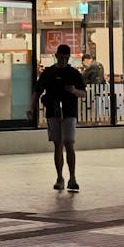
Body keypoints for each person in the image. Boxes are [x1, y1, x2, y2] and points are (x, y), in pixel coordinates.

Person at [26, 44, 85, 192]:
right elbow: (37, 91)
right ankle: (60, 177)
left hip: (69, 112)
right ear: (56, 55)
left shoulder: (73, 73)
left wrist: (73, 90)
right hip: (53, 111)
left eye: (66, 57)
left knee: (69, 143)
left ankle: (72, 178)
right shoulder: (48, 72)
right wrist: (31, 108)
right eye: (62, 56)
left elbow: (83, 93)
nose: (64, 60)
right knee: (58, 144)